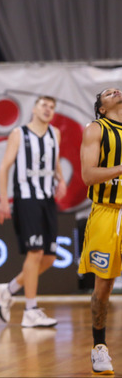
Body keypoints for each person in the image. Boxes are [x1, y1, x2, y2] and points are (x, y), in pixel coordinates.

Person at [0, 95, 66, 328]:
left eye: (52, 107)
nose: (48, 109)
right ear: (34, 109)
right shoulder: (19, 133)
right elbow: (4, 167)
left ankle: (9, 289)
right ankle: (30, 310)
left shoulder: (55, 134)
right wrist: (3, 200)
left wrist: (61, 179)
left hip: (47, 198)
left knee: (50, 257)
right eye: (44, 105)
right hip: (26, 198)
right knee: (35, 253)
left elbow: (54, 160)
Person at [77, 87, 122, 374]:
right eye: (107, 93)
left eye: (115, 89)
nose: (114, 90)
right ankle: (99, 346)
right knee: (103, 286)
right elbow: (88, 175)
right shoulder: (96, 129)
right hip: (107, 212)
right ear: (102, 109)